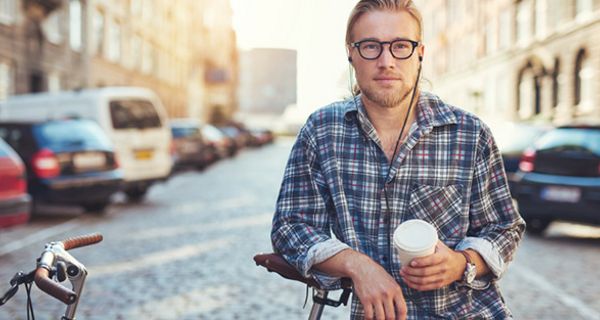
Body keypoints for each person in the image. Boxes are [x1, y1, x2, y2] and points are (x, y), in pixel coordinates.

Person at [271, 0, 525, 319]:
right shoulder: (322, 131)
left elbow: (504, 227)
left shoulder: (470, 133)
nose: (386, 61)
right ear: (351, 53)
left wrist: (462, 262)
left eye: (401, 46)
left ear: (420, 53)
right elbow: (290, 225)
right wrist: (357, 264)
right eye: (370, 47)